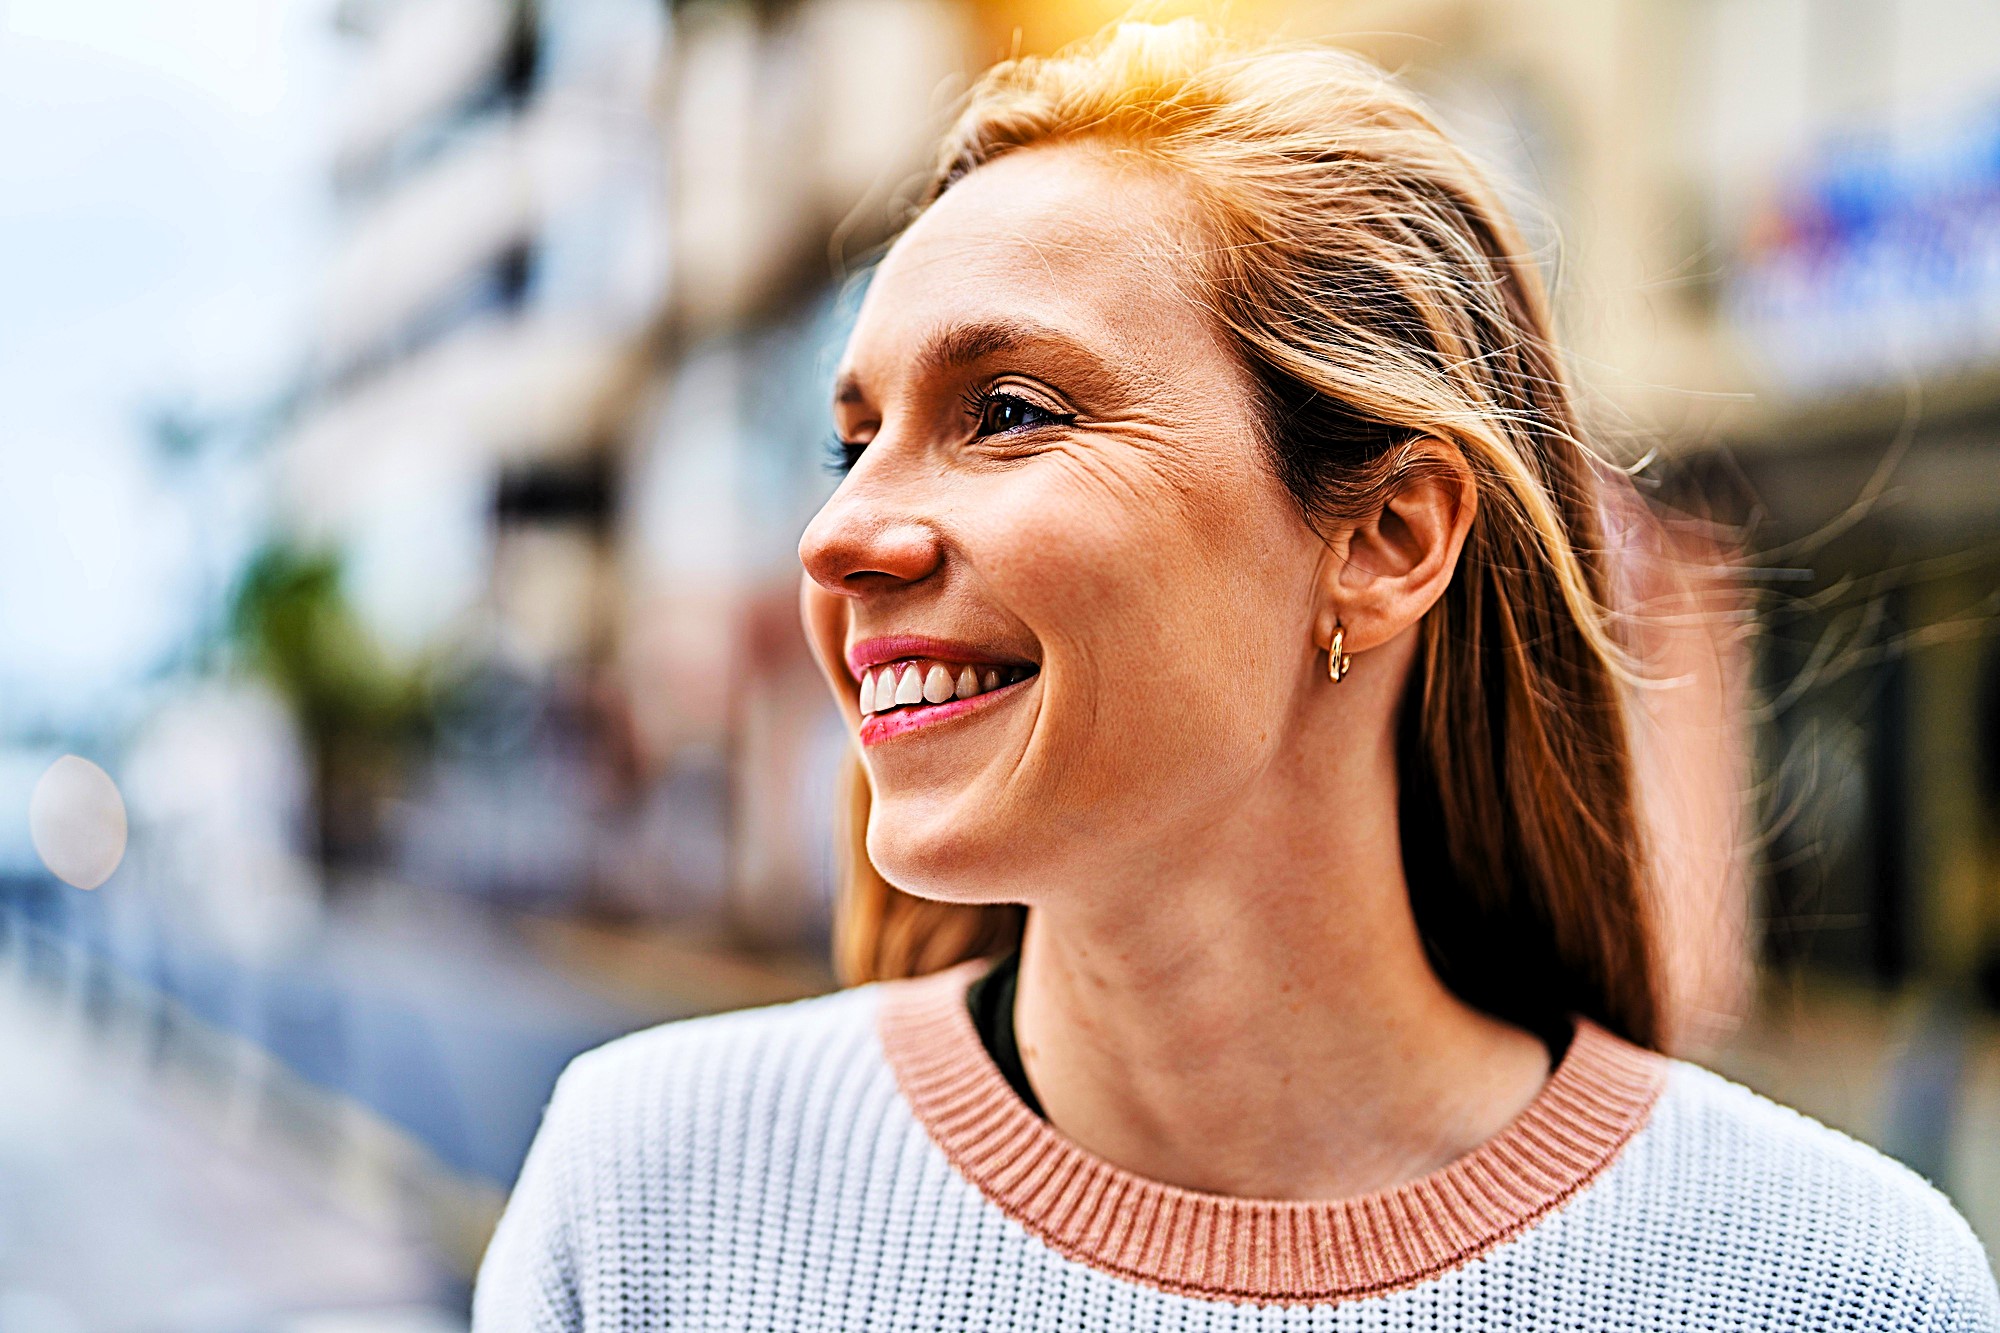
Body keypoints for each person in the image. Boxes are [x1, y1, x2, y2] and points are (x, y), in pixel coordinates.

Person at [472, 20, 1999, 1330]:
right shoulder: (651, 1199)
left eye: (1006, 409)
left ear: (1389, 536)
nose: (841, 533)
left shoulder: (1828, 1284)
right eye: (850, 437)